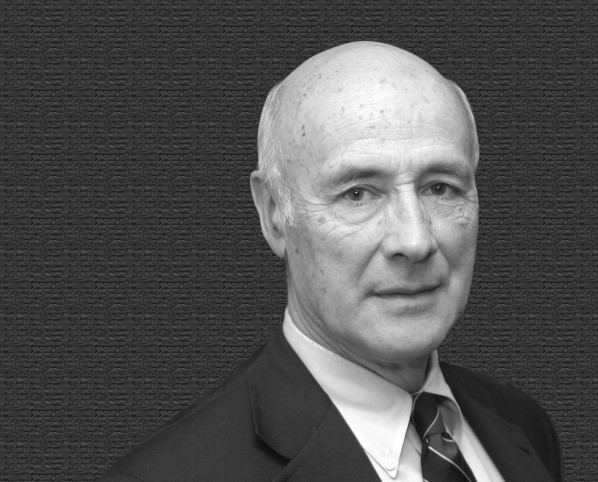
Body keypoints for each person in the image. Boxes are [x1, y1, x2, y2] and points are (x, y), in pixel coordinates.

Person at [99, 41, 562, 481]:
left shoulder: (521, 424)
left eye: (440, 187)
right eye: (358, 194)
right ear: (274, 214)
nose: (415, 240)